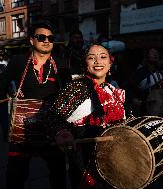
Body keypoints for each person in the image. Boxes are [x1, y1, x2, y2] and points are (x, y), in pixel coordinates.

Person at [0, 20, 67, 189]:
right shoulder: (19, 61)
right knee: (16, 174)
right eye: (41, 37)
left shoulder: (60, 64)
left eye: (50, 38)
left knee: (58, 172)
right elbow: (2, 81)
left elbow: (68, 93)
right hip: (23, 125)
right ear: (31, 40)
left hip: (52, 125)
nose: (46, 41)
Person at [47, 43, 129, 188]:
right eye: (92, 58)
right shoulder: (77, 87)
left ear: (110, 62)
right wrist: (63, 132)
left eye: (103, 57)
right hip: (85, 159)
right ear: (85, 64)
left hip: (113, 157)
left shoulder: (112, 88)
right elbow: (53, 116)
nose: (98, 61)